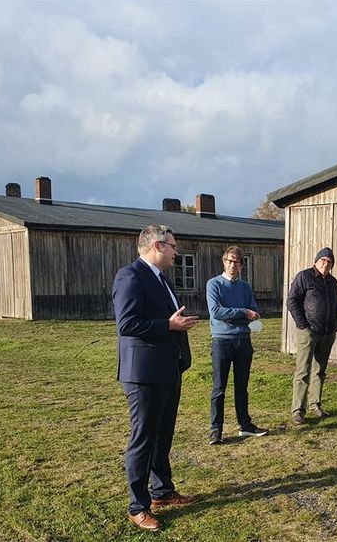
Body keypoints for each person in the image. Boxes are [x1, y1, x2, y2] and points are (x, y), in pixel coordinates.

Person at [113, 224, 200, 531]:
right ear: (158, 246)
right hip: (144, 374)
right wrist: (169, 326)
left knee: (163, 436)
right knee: (144, 439)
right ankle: (138, 506)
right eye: (174, 246)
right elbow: (127, 323)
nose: (177, 252)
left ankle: (162, 491)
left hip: (168, 368)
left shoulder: (162, 279)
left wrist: (176, 329)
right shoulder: (131, 276)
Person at [206, 246, 268, 445]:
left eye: (237, 262)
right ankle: (216, 429)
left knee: (242, 386)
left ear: (242, 265)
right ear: (224, 261)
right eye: (230, 261)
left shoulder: (245, 287)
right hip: (222, 342)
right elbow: (216, 311)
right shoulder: (213, 284)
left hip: (243, 341)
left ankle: (245, 425)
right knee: (219, 388)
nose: (233, 265)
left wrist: (242, 315)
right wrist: (243, 313)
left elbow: (255, 312)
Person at [287, 247, 337, 425]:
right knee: (303, 371)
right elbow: (292, 301)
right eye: (323, 260)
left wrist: (335, 324)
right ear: (316, 261)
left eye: (329, 262)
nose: (326, 264)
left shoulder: (333, 282)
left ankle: (315, 405)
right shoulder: (304, 277)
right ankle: (298, 410)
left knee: (319, 371)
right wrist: (303, 324)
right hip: (308, 332)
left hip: (327, 333)